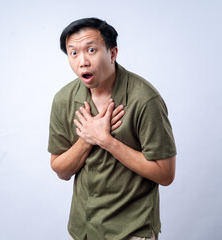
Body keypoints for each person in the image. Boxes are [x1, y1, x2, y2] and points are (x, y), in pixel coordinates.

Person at [48, 17, 176, 240]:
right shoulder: (63, 100)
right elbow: (61, 170)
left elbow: (165, 175)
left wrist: (107, 141)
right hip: (83, 230)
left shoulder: (145, 99)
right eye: (73, 53)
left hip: (132, 230)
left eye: (91, 50)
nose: (83, 61)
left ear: (113, 53)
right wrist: (87, 139)